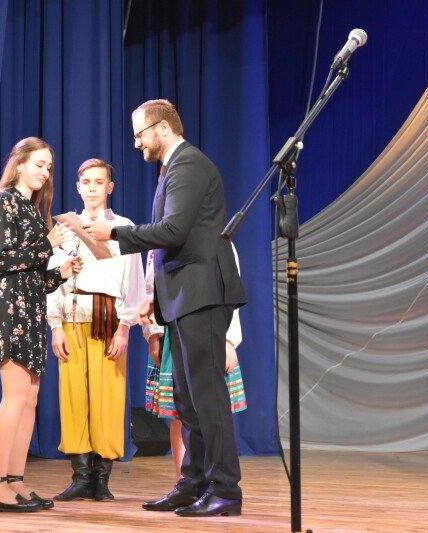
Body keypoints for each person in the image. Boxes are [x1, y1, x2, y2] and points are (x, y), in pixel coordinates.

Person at [85, 99, 247, 517]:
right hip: (183, 296)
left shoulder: (188, 164)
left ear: (162, 128)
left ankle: (226, 489)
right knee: (187, 399)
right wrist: (154, 297)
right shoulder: (173, 169)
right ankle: (193, 483)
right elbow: (177, 241)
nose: (137, 142)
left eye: (140, 134)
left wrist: (114, 233)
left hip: (203, 294)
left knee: (207, 396)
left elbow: (173, 231)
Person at [0, 137, 82, 513]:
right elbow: (2, 259)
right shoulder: (4, 201)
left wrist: (60, 273)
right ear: (19, 163)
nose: (44, 172)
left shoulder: (30, 209)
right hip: (8, 305)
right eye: (39, 164)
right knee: (14, 395)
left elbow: (33, 274)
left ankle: (15, 480)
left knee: (30, 398)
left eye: (48, 167)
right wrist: (48, 243)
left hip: (31, 305)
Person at [47, 159, 145, 502]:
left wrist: (125, 328)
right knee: (74, 398)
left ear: (109, 187)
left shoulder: (123, 227)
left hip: (108, 320)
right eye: (86, 182)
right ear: (78, 187)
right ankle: (81, 477)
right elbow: (53, 278)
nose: (92, 188)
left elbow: (133, 280)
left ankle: (102, 478)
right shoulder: (64, 228)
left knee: (108, 398)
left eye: (98, 182)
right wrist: (55, 327)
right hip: (72, 319)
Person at [143, 245, 247, 481]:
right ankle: (185, 480)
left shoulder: (220, 241)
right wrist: (153, 335)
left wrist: (228, 341)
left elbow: (231, 293)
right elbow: (151, 290)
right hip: (173, 334)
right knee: (180, 414)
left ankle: (215, 478)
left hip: (211, 332)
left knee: (212, 410)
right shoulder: (159, 246)